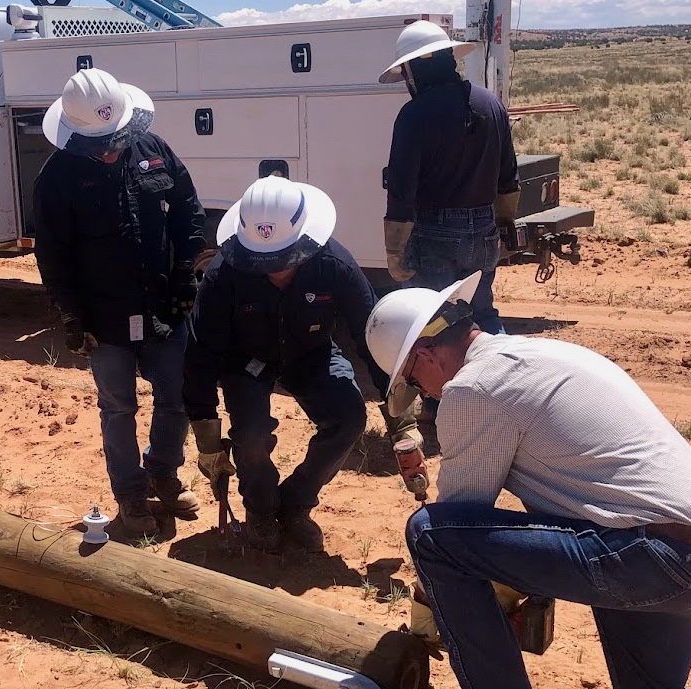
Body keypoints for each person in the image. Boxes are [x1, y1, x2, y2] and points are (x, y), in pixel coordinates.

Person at [364, 273, 691, 689]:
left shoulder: (475, 386)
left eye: (414, 382)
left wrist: (430, 602)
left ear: (426, 356)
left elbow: (457, 521)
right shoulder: (546, 354)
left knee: (430, 536)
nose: (426, 394)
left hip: (652, 556)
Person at [33, 68, 206, 537]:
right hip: (103, 316)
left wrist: (186, 275)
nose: (110, 151)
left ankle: (163, 474)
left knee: (177, 396)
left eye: (115, 140)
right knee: (118, 408)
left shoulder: (155, 150)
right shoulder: (57, 177)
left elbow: (188, 212)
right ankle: (130, 493)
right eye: (99, 145)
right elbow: (52, 254)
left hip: (164, 306)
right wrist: (71, 316)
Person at [184, 175, 397, 553]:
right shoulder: (222, 275)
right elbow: (201, 353)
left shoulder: (335, 264)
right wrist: (207, 439)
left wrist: (400, 412)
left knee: (349, 417)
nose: (274, 269)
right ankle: (261, 509)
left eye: (284, 258)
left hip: (310, 352)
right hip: (246, 359)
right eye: (262, 261)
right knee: (251, 436)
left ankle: (295, 504)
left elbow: (371, 335)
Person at [378, 20, 522, 455]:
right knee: (482, 313)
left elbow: (402, 189)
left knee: (434, 326)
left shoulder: (415, 114)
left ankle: (444, 411)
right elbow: (508, 177)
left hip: (436, 232)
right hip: (483, 229)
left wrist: (395, 249)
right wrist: (503, 224)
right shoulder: (490, 104)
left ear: (417, 68)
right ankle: (509, 394)